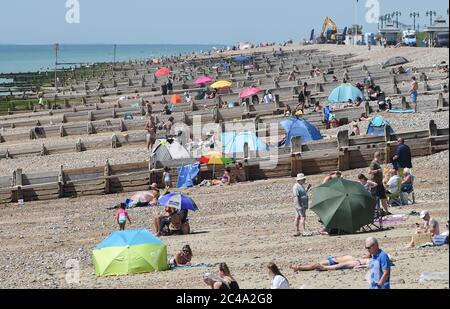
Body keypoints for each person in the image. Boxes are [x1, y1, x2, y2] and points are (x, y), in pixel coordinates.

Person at [290, 255, 370, 272]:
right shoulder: (359, 258)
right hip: (335, 260)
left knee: (316, 265)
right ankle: (299, 266)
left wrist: (361, 266)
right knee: (316, 263)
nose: (365, 252)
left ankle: (299, 267)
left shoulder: (370, 260)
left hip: (336, 263)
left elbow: (368, 265)